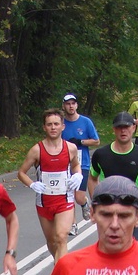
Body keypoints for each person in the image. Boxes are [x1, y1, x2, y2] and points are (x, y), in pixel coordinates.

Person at [18, 108, 82, 262]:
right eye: (49, 124)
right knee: (52, 241)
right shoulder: (36, 150)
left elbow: (75, 165)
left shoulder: (70, 148)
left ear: (62, 126)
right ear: (44, 127)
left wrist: (78, 175)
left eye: (56, 124)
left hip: (64, 200)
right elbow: (21, 173)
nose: (53, 127)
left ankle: (61, 273)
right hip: (44, 202)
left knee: (61, 237)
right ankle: (58, 264)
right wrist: (32, 184)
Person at [88, 112, 138, 241]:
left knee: (134, 258)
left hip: (131, 215)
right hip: (107, 215)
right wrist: (96, 203)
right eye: (119, 127)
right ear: (114, 129)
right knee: (108, 257)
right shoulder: (101, 154)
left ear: (133, 127)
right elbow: (93, 178)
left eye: (126, 127)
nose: (123, 130)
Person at [60, 93, 101, 233]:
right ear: (64, 106)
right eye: (68, 104)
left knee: (78, 196)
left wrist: (80, 142)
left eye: (73, 103)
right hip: (65, 164)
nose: (71, 106)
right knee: (68, 195)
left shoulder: (85, 122)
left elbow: (96, 141)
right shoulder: (61, 124)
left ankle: (84, 204)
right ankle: (73, 224)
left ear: (76, 105)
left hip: (82, 164)